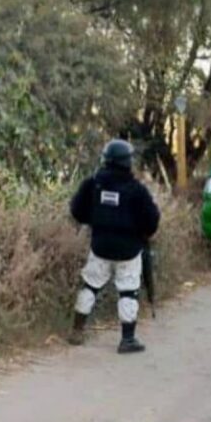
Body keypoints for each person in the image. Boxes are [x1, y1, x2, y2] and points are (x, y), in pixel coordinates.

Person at [68, 139, 161, 353]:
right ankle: (127, 340)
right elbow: (152, 219)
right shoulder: (137, 190)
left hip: (100, 246)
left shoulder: (93, 183)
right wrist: (142, 234)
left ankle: (76, 330)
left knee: (90, 285)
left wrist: (94, 221)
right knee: (128, 292)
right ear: (127, 162)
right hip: (129, 251)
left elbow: (76, 210)